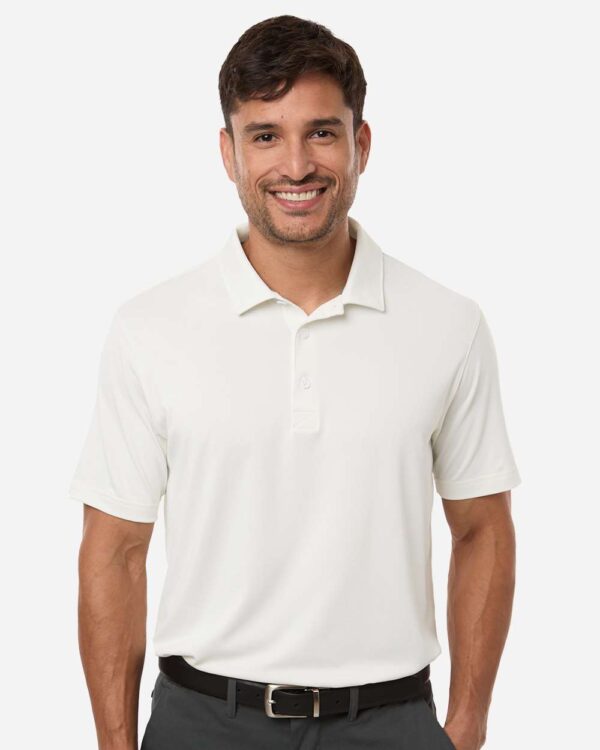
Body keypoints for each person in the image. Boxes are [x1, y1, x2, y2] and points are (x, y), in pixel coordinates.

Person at [69, 14, 521, 750]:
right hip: (202, 722)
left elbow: (482, 528)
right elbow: (114, 551)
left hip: (391, 722)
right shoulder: (150, 328)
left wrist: (466, 726)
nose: (297, 165)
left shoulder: (448, 324)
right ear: (229, 153)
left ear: (360, 144)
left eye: (321, 132)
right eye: (265, 135)